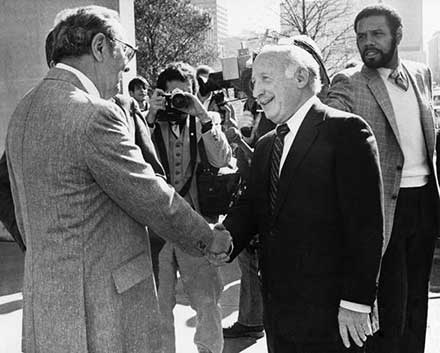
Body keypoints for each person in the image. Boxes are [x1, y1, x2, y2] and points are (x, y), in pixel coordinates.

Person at [5, 6, 231, 353]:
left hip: (45, 305)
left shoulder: (23, 110)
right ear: (99, 46)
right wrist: (210, 239)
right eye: (124, 51)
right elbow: (151, 197)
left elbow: (19, 207)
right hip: (103, 310)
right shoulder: (94, 114)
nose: (126, 65)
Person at [214, 44, 384, 353]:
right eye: (253, 83)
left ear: (301, 77)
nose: (257, 92)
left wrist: (357, 302)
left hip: (333, 314)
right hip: (279, 311)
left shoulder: (346, 131)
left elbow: (366, 227)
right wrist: (224, 238)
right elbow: (253, 207)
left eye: (265, 79)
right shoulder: (266, 145)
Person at [326, 5, 439, 353]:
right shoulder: (349, 81)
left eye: (377, 34)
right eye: (361, 36)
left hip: (424, 202)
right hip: (382, 209)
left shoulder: (421, 74)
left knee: (418, 301)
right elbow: (326, 115)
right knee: (391, 307)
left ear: (398, 36)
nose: (367, 43)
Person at [146, 62, 232, 353]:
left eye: (183, 95)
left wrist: (202, 114)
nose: (176, 102)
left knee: (207, 301)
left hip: (195, 225)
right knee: (158, 305)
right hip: (156, 228)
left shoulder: (203, 121)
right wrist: (150, 115)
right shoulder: (147, 124)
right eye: (170, 95)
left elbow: (222, 160)